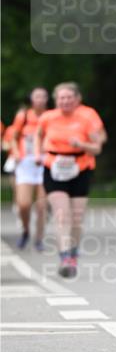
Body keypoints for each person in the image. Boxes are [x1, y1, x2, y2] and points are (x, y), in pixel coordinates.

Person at [34, 82, 104, 278]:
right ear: (56, 100)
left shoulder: (86, 118)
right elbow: (38, 137)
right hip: (53, 167)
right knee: (62, 214)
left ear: (76, 100)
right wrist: (37, 154)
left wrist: (80, 143)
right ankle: (65, 257)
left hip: (80, 168)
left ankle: (73, 252)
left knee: (76, 217)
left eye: (68, 98)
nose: (65, 101)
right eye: (61, 98)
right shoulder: (48, 118)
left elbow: (97, 148)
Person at [11, 87, 49, 250]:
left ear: (47, 99)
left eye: (43, 96)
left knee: (41, 206)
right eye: (36, 97)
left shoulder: (51, 116)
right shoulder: (23, 115)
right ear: (31, 99)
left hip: (44, 162)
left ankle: (39, 238)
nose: (40, 99)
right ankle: (26, 231)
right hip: (26, 163)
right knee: (23, 204)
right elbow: (13, 137)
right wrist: (16, 153)